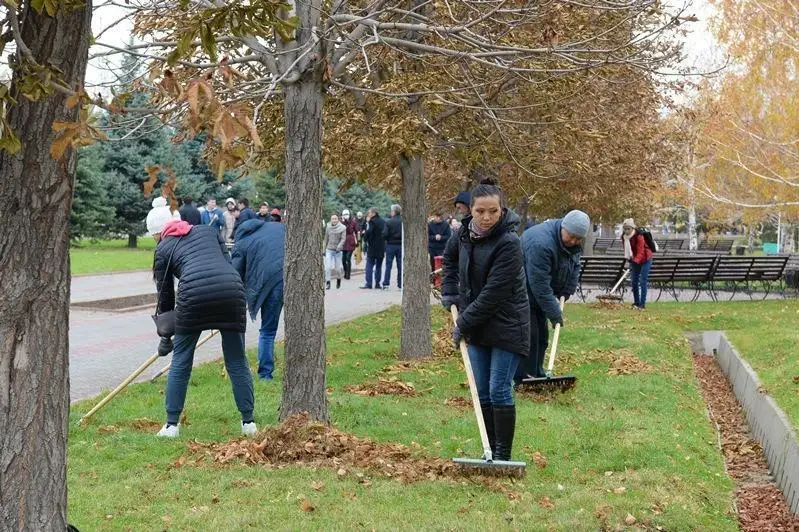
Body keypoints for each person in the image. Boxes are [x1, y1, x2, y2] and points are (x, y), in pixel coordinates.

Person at [441, 179, 530, 462]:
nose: (487, 217)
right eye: (480, 211)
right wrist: (450, 291)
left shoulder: (509, 243)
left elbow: (494, 294)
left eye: (493, 211)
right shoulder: (464, 234)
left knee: (498, 388)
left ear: (502, 210)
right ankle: (489, 451)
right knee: (481, 390)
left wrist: (462, 323)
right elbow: (450, 260)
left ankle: (503, 455)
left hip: (507, 324)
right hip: (476, 323)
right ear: (471, 210)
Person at [149, 215, 254, 439]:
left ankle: (171, 426)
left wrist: (165, 335)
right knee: (236, 360)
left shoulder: (162, 249)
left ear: (158, 233)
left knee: (181, 360)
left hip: (193, 297)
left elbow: (165, 296)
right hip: (232, 291)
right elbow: (228, 262)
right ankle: (249, 422)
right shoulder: (207, 231)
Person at [515, 209, 589, 383]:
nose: (573, 241)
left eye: (578, 239)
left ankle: (537, 373)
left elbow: (574, 265)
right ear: (563, 226)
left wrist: (567, 290)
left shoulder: (573, 243)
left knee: (542, 336)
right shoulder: (541, 243)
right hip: (519, 290)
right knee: (529, 335)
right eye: (571, 236)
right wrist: (554, 312)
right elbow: (539, 284)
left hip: (538, 292)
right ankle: (522, 378)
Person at [232, 218, 284, 380]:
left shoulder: (243, 242)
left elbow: (234, 274)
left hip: (270, 285)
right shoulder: (278, 227)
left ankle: (265, 374)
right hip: (294, 277)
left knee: (268, 331)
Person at [622, 218, 653, 310]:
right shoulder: (624, 237)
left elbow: (641, 251)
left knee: (643, 280)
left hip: (646, 258)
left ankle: (642, 304)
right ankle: (636, 302)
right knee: (634, 281)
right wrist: (630, 260)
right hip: (635, 259)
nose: (626, 231)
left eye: (628, 228)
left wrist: (635, 261)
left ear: (632, 228)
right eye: (625, 228)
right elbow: (627, 250)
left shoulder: (639, 236)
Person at [360, 208, 386, 289]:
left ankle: (369, 283)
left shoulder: (372, 221)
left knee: (369, 265)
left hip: (372, 246)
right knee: (379, 265)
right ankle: (377, 283)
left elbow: (369, 231)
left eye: (369, 213)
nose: (368, 214)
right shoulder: (383, 221)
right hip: (381, 246)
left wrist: (365, 237)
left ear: (374, 213)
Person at [382, 204, 403, 289]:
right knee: (400, 265)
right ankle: (400, 284)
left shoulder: (389, 222)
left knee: (388, 265)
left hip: (390, 245)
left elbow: (385, 234)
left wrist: (387, 238)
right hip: (401, 245)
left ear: (393, 212)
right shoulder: (403, 222)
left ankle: (386, 283)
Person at [324, 214, 346, 289]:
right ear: (330, 220)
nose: (334, 220)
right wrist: (324, 249)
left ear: (338, 219)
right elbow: (326, 238)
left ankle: (339, 280)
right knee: (328, 267)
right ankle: (328, 282)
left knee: (338, 269)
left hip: (338, 251)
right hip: (329, 249)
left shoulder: (342, 228)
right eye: (332, 219)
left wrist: (339, 246)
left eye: (335, 218)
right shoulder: (328, 227)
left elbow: (343, 239)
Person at [340, 209, 359, 280]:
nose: (346, 216)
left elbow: (357, 231)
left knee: (348, 258)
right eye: (344, 214)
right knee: (343, 259)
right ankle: (345, 272)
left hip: (351, 241)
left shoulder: (353, 222)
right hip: (344, 241)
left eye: (347, 214)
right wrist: (343, 222)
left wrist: (358, 241)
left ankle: (348, 274)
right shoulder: (341, 222)